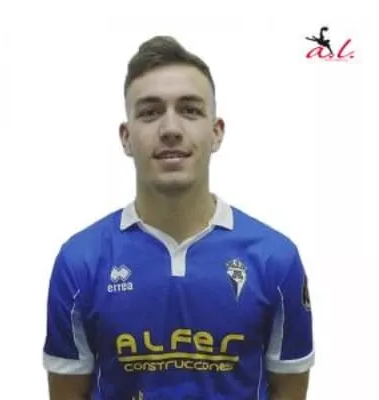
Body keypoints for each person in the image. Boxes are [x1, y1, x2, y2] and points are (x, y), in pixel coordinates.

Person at [43, 35, 315, 400]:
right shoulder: (80, 262)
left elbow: (289, 390)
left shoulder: (276, 259)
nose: (170, 129)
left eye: (189, 110)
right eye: (150, 112)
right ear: (126, 137)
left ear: (216, 132)